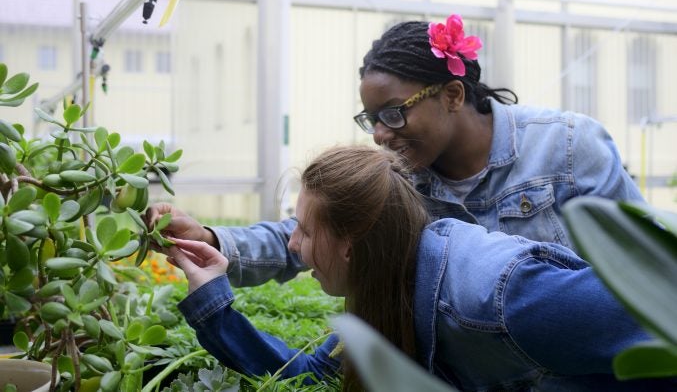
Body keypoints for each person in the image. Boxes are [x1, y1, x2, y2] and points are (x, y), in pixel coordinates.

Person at [146, 13, 643, 288]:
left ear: (451, 95)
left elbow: (643, 265)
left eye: (394, 112)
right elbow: (304, 236)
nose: (381, 135)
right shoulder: (403, 178)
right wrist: (210, 238)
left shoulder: (570, 147)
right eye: (372, 119)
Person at [158, 145, 673, 392]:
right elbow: (314, 375)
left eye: (305, 231)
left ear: (353, 245)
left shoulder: (503, 297)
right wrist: (214, 300)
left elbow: (657, 312)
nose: (293, 245)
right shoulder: (388, 285)